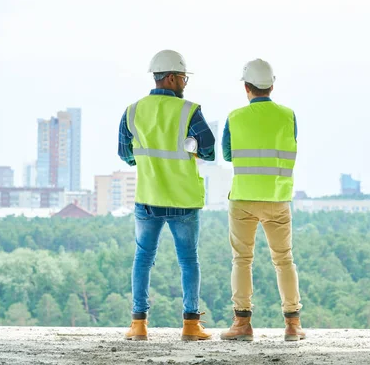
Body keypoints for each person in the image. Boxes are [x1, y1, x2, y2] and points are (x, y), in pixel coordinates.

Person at [118, 49, 215, 341]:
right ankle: (190, 326)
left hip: (147, 197)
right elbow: (209, 150)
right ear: (171, 77)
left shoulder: (133, 111)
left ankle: (138, 325)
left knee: (143, 259)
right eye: (183, 77)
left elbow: (125, 154)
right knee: (188, 261)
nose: (185, 82)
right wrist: (191, 148)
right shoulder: (188, 110)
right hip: (183, 200)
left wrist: (147, 163)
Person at [220, 59, 305, 342]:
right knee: (284, 260)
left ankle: (242, 324)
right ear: (272, 85)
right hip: (278, 197)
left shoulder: (234, 117)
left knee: (242, 260)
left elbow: (228, 155)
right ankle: (293, 325)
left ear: (247, 87)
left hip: (243, 197)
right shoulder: (288, 115)